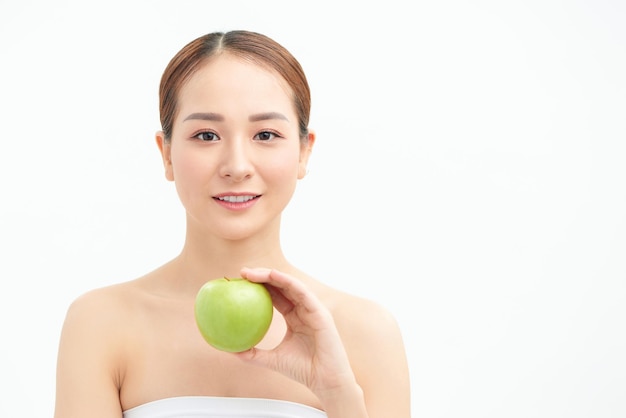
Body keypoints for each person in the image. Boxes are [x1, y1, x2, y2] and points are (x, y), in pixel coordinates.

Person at [54, 30, 411, 418]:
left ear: (304, 151)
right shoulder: (100, 323)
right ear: (167, 154)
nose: (237, 166)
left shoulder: (365, 332)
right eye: (206, 135)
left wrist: (338, 393)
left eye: (266, 134)